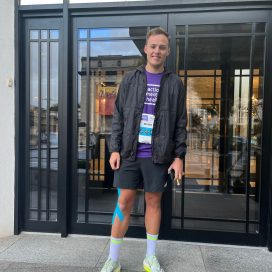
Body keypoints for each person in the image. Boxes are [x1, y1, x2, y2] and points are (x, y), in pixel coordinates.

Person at [101, 27, 187, 272]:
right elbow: (117, 116)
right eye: (153, 46)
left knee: (153, 202)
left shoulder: (174, 83)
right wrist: (114, 149)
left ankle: (150, 258)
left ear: (167, 51)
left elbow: (181, 122)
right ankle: (113, 259)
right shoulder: (130, 79)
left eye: (162, 47)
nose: (157, 51)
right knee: (123, 203)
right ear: (145, 49)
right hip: (129, 152)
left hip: (159, 155)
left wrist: (179, 156)